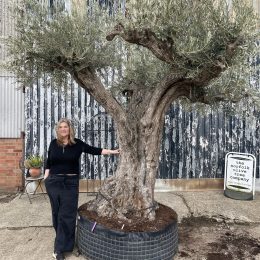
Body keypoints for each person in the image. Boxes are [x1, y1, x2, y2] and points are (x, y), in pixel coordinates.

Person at [44, 118, 119, 260]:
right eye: (60, 127)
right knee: (56, 213)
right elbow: (49, 161)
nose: (63, 129)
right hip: (54, 182)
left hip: (70, 183)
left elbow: (94, 150)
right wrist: (46, 177)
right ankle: (64, 242)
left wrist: (112, 152)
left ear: (69, 129)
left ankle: (59, 249)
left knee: (67, 215)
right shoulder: (53, 144)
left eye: (65, 126)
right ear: (58, 130)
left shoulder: (77, 144)